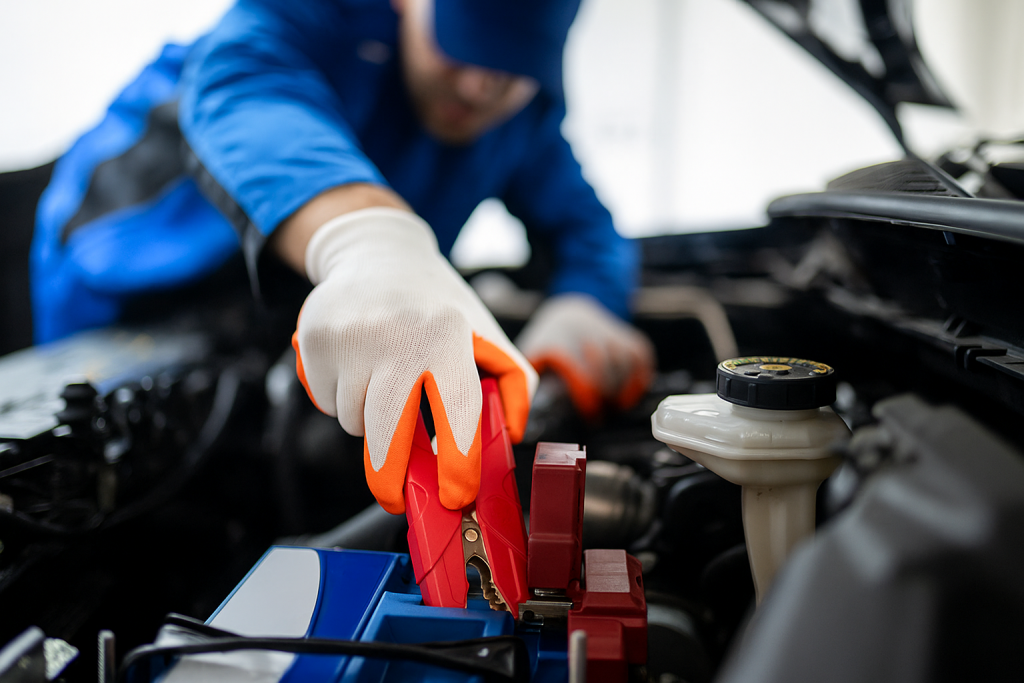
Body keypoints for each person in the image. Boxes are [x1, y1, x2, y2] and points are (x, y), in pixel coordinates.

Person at [31, 0, 655, 515]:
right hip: (128, 294)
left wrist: (586, 302)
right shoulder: (312, 16)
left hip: (287, 322)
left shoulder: (524, 119)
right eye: (463, 45)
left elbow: (588, 229)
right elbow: (251, 95)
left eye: (511, 68)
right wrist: (365, 235)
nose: (479, 85)